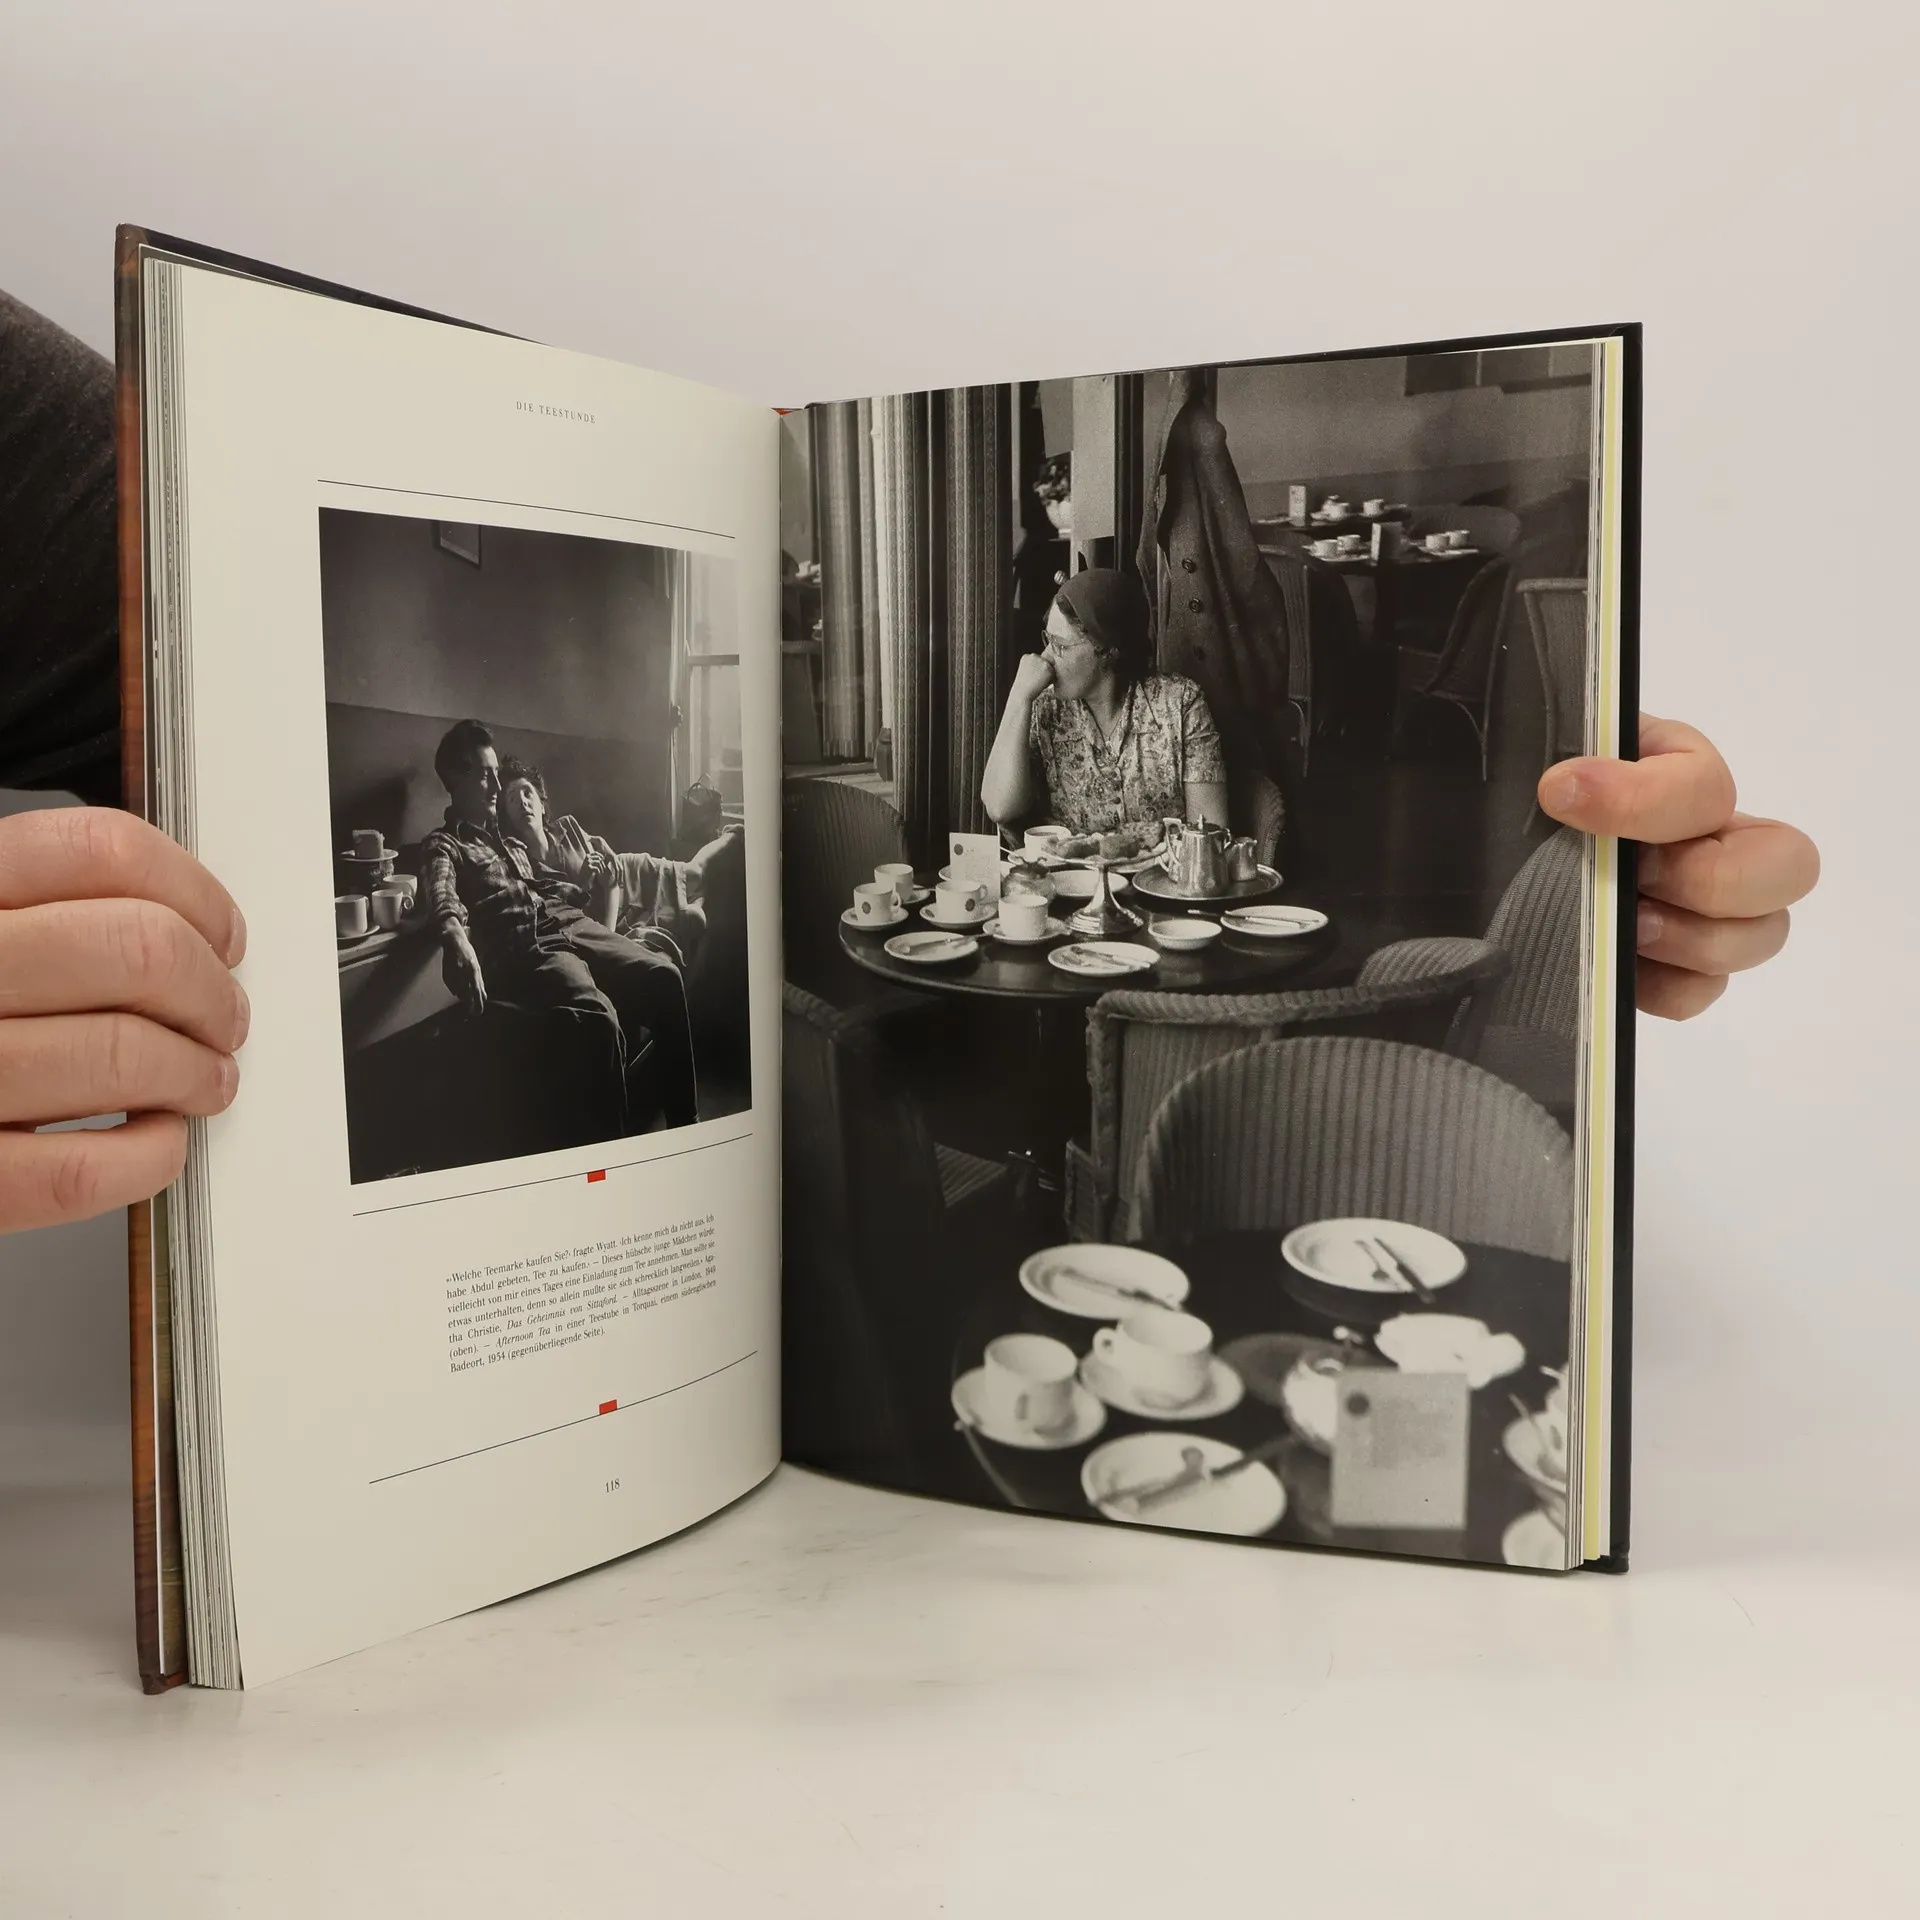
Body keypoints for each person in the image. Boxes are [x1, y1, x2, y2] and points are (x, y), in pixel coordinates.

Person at [0, 289, 1821, 1230]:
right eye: (1055, 637)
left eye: (1069, 638)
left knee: (676, 971)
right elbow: (1007, 818)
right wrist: (1026, 699)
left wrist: (1597, 850)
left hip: (1154, 949)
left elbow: (1202, 844)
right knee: (692, 984)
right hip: (1059, 939)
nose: (1058, 650)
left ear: (1120, 642)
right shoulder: (1059, 701)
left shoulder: (1180, 711)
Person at [419, 720, 698, 1138]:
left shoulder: (511, 843)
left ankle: (686, 1128)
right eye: (485, 775)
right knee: (600, 1022)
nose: (496, 786)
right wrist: (455, 936)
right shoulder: (445, 843)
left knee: (664, 976)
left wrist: (584, 883)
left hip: (569, 921)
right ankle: (612, 1159)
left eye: (497, 774)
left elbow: (547, 885)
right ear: (456, 780)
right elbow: (440, 890)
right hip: (531, 947)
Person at [981, 568, 1231, 843]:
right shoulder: (1045, 708)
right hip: (1070, 869)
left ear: (1109, 652)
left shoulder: (1181, 704)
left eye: (1060, 646)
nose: (1045, 658)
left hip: (1161, 870)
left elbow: (1210, 834)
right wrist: (1018, 696)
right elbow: (999, 808)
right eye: (1047, 639)